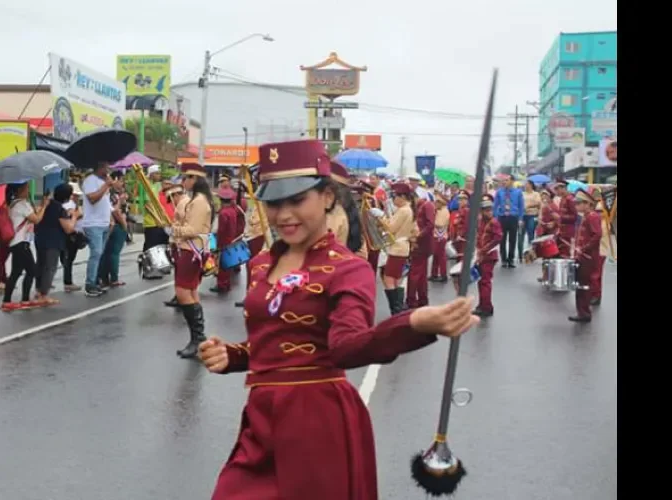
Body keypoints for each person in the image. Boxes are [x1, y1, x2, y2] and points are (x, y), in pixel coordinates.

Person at [197, 139, 479, 500]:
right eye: (274, 202)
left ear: (327, 196)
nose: (284, 215)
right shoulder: (261, 265)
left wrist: (413, 324)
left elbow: (347, 348)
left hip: (317, 422)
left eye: (297, 200)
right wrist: (235, 355)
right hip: (261, 420)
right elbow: (281, 341)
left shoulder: (348, 269)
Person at [167, 163, 214, 358]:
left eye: (186, 178)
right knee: (191, 291)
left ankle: (198, 338)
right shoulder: (197, 200)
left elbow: (192, 230)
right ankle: (198, 338)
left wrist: (173, 229)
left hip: (191, 250)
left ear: (194, 179)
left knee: (183, 292)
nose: (183, 181)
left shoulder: (199, 202)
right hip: (191, 249)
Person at [1, 182, 48, 311]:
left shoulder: (14, 203)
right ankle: (23, 299)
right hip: (20, 242)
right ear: (20, 190)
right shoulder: (21, 204)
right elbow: (37, 219)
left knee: (16, 272)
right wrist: (44, 206)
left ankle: (8, 300)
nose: (28, 190)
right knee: (31, 271)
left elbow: (32, 216)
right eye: (26, 188)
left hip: (17, 242)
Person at [34, 183, 79, 306]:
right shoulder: (59, 209)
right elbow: (68, 229)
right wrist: (74, 217)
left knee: (41, 265)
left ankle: (38, 290)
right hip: (53, 241)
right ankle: (44, 295)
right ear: (67, 196)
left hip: (40, 238)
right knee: (50, 267)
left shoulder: (47, 205)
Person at [81, 162, 119, 297]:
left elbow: (106, 204)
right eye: (106, 167)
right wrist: (106, 186)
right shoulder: (90, 180)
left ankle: (95, 281)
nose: (108, 170)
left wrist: (110, 219)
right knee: (96, 253)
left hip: (104, 223)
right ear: (99, 167)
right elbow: (92, 199)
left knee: (100, 254)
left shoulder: (104, 182)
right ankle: (89, 284)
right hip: (93, 223)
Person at [377, 182, 415, 314]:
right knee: (396, 278)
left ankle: (396, 308)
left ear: (403, 197)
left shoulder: (404, 210)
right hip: (402, 247)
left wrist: (381, 217)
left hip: (397, 247)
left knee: (388, 278)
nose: (393, 199)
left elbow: (391, 228)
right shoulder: (408, 209)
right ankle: (398, 307)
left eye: (395, 196)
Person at [569, 189, 602, 322]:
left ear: (587, 204)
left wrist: (585, 248)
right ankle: (582, 311)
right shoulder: (586, 217)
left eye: (579, 204)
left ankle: (584, 313)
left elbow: (597, 235)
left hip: (588, 257)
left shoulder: (593, 217)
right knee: (580, 284)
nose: (576, 206)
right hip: (583, 255)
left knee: (583, 285)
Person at [474, 194, 503, 317]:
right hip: (481, 254)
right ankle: (482, 304)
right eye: (486, 210)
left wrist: (484, 250)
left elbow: (498, 238)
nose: (489, 212)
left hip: (490, 255)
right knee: (481, 281)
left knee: (485, 281)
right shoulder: (481, 222)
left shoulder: (494, 222)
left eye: (490, 210)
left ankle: (486, 307)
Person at [139, 164, 169, 280]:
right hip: (151, 222)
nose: (159, 175)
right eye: (156, 173)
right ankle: (147, 270)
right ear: (151, 175)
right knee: (149, 247)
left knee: (158, 246)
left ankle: (156, 268)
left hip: (158, 221)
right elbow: (148, 205)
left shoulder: (157, 186)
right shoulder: (147, 186)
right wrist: (157, 218)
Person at [407, 186, 435, 309]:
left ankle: (411, 299)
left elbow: (430, 224)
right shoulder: (419, 206)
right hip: (420, 243)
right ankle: (422, 299)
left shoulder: (427, 205)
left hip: (421, 243)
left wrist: (419, 235)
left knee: (414, 273)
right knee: (421, 274)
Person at [210, 186, 239, 293]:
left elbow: (221, 230)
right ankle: (226, 283)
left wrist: (217, 243)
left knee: (222, 264)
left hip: (224, 240)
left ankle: (221, 284)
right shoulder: (232, 210)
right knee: (228, 263)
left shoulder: (223, 213)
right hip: (231, 238)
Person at [163, 184, 188, 308]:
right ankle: (180, 297)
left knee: (182, 276)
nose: (172, 203)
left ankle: (183, 298)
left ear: (177, 195)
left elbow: (183, 226)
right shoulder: (186, 203)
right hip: (182, 244)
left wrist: (172, 231)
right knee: (181, 274)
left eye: (173, 199)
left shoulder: (183, 205)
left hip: (184, 244)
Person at [493, 174, 523, 268]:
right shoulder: (499, 192)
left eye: (506, 180)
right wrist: (495, 217)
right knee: (502, 239)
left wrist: (520, 219)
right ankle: (503, 260)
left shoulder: (518, 192)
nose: (504, 182)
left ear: (512, 181)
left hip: (513, 217)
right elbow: (495, 205)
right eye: (503, 180)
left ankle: (511, 259)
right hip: (502, 217)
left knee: (512, 239)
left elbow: (521, 206)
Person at [60, 182, 84, 292]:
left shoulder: (73, 205)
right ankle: (68, 282)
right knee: (68, 259)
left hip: (72, 233)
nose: (77, 197)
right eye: (75, 195)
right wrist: (77, 215)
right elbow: (71, 217)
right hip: (70, 234)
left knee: (67, 258)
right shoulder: (69, 205)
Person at [591, 198, 611, 306]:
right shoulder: (598, 221)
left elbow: (597, 236)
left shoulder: (604, 223)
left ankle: (596, 295)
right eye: (597, 211)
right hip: (596, 250)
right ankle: (595, 294)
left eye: (600, 211)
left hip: (600, 250)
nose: (598, 213)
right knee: (595, 274)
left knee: (595, 275)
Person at [553, 178, 577, 258]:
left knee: (565, 253)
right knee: (560, 252)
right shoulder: (563, 199)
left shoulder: (570, 199)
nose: (556, 191)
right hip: (561, 230)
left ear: (563, 188)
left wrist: (560, 217)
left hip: (568, 231)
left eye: (557, 189)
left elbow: (575, 217)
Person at [517, 180, 541, 259]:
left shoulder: (536, 194)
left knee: (531, 234)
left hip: (532, 215)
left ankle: (531, 253)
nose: (525, 185)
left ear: (531, 185)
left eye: (527, 184)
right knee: (520, 235)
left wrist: (529, 205)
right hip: (522, 216)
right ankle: (520, 254)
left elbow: (538, 203)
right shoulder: (521, 194)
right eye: (525, 184)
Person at [430, 192, 450, 282]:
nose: (435, 203)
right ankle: (434, 274)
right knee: (436, 256)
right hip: (437, 236)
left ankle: (443, 274)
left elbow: (440, 224)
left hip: (440, 236)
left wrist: (431, 222)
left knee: (441, 256)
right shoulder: (439, 210)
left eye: (437, 202)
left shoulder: (444, 211)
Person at [451, 190, 470, 260]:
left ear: (467, 201)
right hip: (457, 238)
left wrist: (460, 235)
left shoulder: (466, 211)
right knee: (458, 258)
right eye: (459, 199)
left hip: (462, 239)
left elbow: (465, 225)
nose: (460, 202)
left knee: (462, 259)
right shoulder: (459, 211)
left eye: (462, 199)